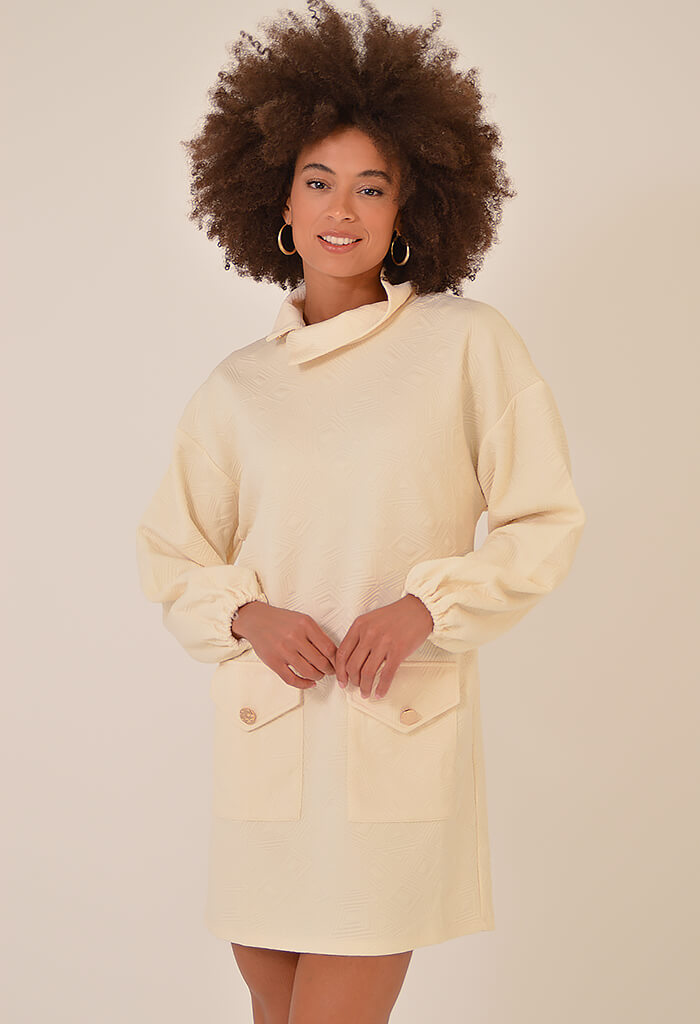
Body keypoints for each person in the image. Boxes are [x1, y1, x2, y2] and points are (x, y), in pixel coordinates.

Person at [135, 1, 586, 1021]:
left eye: (372, 186)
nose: (342, 208)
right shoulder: (236, 386)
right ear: (277, 200)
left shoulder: (467, 343)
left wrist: (428, 607)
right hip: (268, 750)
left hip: (395, 740)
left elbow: (543, 519)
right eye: (318, 180)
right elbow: (170, 554)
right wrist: (247, 615)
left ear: (409, 207)